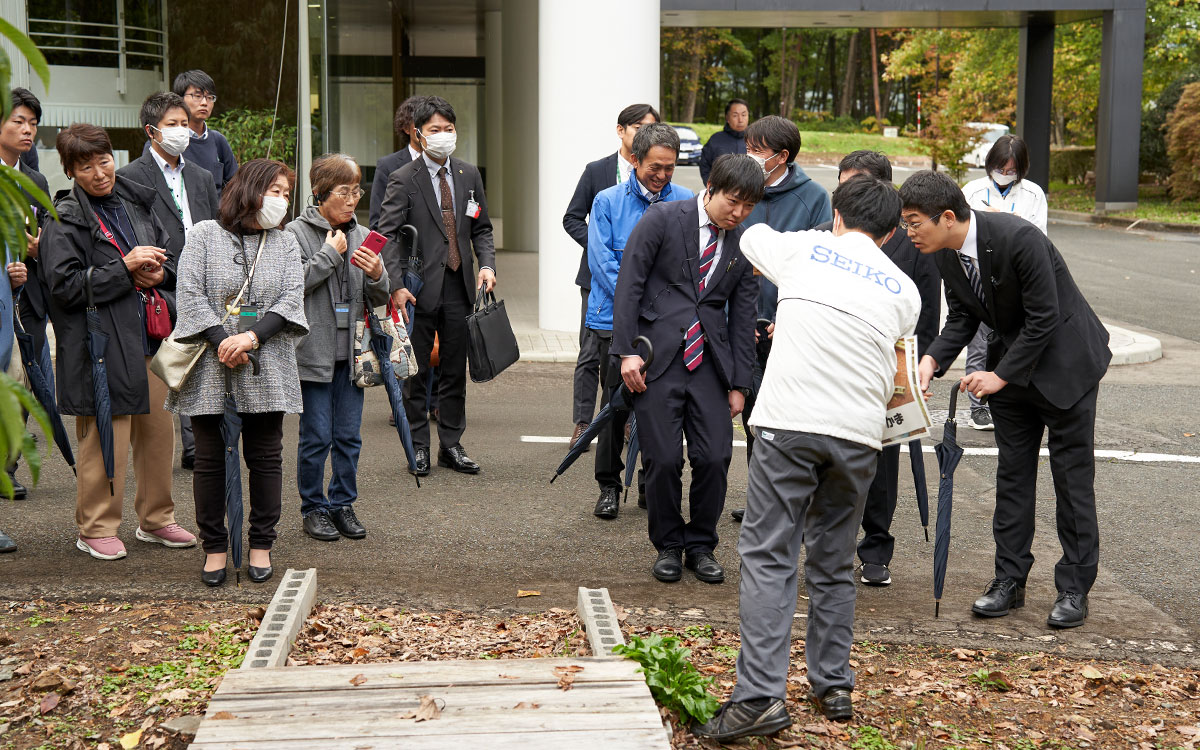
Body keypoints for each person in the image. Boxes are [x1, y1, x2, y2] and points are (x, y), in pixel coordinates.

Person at [694, 175, 920, 740]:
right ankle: (833, 682)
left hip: (788, 424)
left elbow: (749, 237)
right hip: (859, 437)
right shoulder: (904, 290)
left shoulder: (801, 249)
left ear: (836, 216)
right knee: (834, 557)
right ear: (892, 232)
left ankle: (759, 696)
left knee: (770, 554)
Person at [901, 170, 1110, 629]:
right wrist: (931, 361)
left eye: (915, 222)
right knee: (1012, 478)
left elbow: (1045, 317)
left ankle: (1074, 588)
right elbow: (962, 316)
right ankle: (1009, 581)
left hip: (1065, 367)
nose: (908, 232)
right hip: (1010, 373)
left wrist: (998, 375)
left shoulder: (1019, 237)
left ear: (948, 216)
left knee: (1072, 482)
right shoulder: (946, 254)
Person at [40, 123, 198, 561]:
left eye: (104, 160)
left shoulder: (136, 201)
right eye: (86, 166)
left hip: (148, 337)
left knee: (157, 433)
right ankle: (95, 526)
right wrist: (124, 270)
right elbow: (63, 287)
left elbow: (169, 259)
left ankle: (156, 518)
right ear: (70, 171)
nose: (99, 172)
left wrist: (158, 274)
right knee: (106, 435)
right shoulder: (64, 217)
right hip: (100, 345)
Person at [612, 154, 762, 584]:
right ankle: (669, 545)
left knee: (714, 457)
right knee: (661, 460)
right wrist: (626, 351)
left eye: (748, 207)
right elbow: (630, 284)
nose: (738, 213)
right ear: (711, 188)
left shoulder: (743, 241)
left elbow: (744, 314)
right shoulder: (662, 219)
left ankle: (701, 544)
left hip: (711, 364)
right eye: (733, 202)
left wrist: (740, 384)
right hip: (656, 359)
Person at [802, 151, 941, 589]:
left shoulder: (912, 243)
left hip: (888, 369)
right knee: (825, 462)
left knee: (882, 463)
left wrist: (920, 370)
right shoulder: (824, 236)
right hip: (829, 366)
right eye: (841, 187)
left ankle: (877, 546)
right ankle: (825, 547)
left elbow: (927, 315)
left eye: (857, 185)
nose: (846, 197)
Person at [168, 159, 307, 586]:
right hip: (208, 364)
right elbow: (188, 292)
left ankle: (261, 544)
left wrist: (249, 339)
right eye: (276, 191)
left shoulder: (284, 244)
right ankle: (214, 548)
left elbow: (289, 299)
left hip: (266, 360)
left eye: (286, 193)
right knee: (209, 460)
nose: (282, 201)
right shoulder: (204, 236)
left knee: (266, 457)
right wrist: (221, 339)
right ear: (250, 190)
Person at [378, 96, 495, 477]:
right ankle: (419, 447)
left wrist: (487, 265)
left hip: (459, 287)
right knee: (416, 374)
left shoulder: (468, 174)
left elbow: (482, 228)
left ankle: (451, 444)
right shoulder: (403, 178)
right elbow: (387, 235)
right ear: (418, 133)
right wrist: (394, 285)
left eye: (448, 129)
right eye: (434, 131)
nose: (443, 136)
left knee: (453, 370)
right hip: (416, 290)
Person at [586, 122, 692, 520]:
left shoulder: (686, 200)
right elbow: (603, 264)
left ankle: (651, 482)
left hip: (667, 325)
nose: (663, 175)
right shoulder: (607, 202)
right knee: (615, 405)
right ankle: (609, 486)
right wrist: (640, 307)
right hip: (614, 321)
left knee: (663, 407)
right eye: (655, 167)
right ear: (635, 160)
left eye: (670, 167)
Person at [728, 115, 832, 523]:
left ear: (782, 157)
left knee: (793, 421)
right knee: (756, 418)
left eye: (757, 152)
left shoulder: (814, 197)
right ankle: (761, 500)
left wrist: (787, 314)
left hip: (789, 328)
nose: (749, 157)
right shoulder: (741, 190)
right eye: (747, 149)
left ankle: (797, 504)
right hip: (740, 324)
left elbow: (817, 262)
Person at [287, 154, 389, 542]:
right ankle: (313, 508)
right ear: (319, 192)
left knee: (348, 435)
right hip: (313, 352)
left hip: (354, 353)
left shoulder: (362, 234)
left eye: (356, 191)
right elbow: (291, 287)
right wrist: (330, 255)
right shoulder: (295, 234)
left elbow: (378, 295)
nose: (351, 200)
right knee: (316, 436)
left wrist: (378, 274)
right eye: (343, 192)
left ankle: (343, 503)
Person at [120, 91, 221, 472]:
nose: (182, 131)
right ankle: (182, 438)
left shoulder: (201, 176)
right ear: (151, 131)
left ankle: (199, 440)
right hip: (158, 281)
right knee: (168, 359)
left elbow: (214, 227)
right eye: (172, 125)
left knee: (201, 355)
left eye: (184, 124)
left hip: (203, 277)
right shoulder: (131, 177)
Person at [562, 103, 660, 450]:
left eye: (650, 128)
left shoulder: (659, 179)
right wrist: (600, 246)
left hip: (644, 285)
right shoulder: (597, 171)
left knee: (635, 352)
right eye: (637, 128)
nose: (642, 135)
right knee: (591, 355)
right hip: (597, 281)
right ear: (621, 130)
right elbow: (572, 217)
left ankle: (626, 422)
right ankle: (584, 423)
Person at [958, 135, 1049, 431]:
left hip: (1017, 281)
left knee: (1013, 343)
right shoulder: (972, 191)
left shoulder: (1033, 194)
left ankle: (1008, 399)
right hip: (980, 279)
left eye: (1011, 170)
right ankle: (977, 406)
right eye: (1000, 167)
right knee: (979, 344)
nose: (1005, 174)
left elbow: (1040, 239)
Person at [1, 87, 51, 501]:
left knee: (25, 385)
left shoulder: (34, 179)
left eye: (32, 124)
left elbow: (51, 233)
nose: (27, 130)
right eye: (18, 121)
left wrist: (39, 248)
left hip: (29, 300)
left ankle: (8, 466)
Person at [142, 70, 238, 194]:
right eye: (197, 96)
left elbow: (235, 184)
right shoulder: (163, 140)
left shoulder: (218, 141)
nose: (204, 103)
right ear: (179, 99)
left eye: (210, 98)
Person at [369, 96, 427, 230]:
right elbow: (377, 221)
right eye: (419, 123)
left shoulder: (450, 165)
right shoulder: (388, 165)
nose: (426, 129)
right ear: (406, 128)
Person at [698, 99, 749, 184]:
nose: (740, 120)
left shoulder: (756, 140)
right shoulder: (715, 140)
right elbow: (704, 165)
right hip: (720, 192)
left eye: (744, 115)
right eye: (735, 115)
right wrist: (712, 188)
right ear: (727, 118)